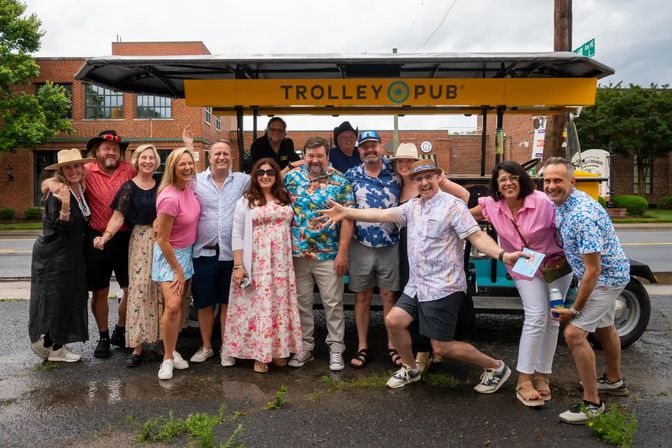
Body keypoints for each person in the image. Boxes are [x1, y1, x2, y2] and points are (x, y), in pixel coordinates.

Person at [320, 159, 526, 391]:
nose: (424, 182)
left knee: (441, 348)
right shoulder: (412, 207)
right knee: (394, 321)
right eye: (419, 178)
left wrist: (502, 255)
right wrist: (346, 211)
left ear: (439, 177)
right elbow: (381, 214)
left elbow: (476, 236)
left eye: (429, 176)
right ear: (414, 182)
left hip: (443, 286)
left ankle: (496, 367)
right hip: (417, 285)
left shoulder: (453, 206)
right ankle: (410, 368)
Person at [470, 161, 573, 407]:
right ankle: (524, 379)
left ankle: (542, 375)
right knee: (536, 315)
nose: (508, 183)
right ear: (496, 184)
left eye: (513, 177)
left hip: (555, 265)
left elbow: (572, 222)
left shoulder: (543, 202)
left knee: (552, 319)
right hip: (523, 266)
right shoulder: (492, 205)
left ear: (522, 179)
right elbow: (462, 214)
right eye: (502, 179)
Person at [543, 157, 630, 424]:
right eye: (547, 180)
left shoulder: (582, 215)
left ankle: (593, 403)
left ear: (572, 182)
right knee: (605, 328)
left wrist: (575, 309)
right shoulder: (561, 204)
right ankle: (614, 381)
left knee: (574, 334)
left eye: (558, 180)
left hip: (605, 279)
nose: (551, 186)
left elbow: (593, 270)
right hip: (603, 275)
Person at [392, 143, 470, 372]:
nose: (404, 165)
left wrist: (440, 179)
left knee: (435, 300)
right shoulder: (395, 186)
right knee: (413, 300)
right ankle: (421, 351)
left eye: (409, 161)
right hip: (409, 248)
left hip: (440, 249)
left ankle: (439, 347)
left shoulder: (432, 184)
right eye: (400, 161)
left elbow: (464, 197)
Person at [222, 158, 303, 373]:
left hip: (282, 264)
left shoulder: (284, 197)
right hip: (257, 263)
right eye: (260, 173)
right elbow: (237, 234)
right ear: (255, 177)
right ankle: (259, 354)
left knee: (278, 306)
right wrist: (238, 266)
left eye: (270, 172)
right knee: (258, 308)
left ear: (276, 176)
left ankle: (277, 351)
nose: (265, 176)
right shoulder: (247, 201)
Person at [283, 136, 355, 371]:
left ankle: (336, 349)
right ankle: (306, 348)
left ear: (328, 157)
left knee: (332, 304)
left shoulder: (340, 182)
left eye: (319, 156)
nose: (315, 160)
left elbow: (348, 219)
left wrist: (343, 254)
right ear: (303, 156)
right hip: (298, 254)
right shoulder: (291, 179)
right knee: (302, 304)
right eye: (310, 155)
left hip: (328, 254)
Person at [93, 144, 163, 368]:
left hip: (165, 241)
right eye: (144, 157)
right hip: (141, 241)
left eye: (151, 158)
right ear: (136, 160)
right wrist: (106, 236)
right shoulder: (128, 188)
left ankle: (162, 341)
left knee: (162, 290)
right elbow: (118, 216)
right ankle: (137, 346)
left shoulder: (163, 183)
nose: (148, 161)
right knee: (139, 292)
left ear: (156, 162)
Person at [185, 132, 250, 367]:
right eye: (217, 154)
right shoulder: (197, 181)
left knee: (227, 302)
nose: (222, 157)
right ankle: (206, 346)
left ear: (230, 157)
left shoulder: (243, 180)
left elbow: (270, 176)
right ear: (209, 157)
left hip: (231, 254)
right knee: (203, 302)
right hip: (203, 252)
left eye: (225, 153)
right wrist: (189, 146)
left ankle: (226, 347)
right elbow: (179, 177)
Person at [343, 130, 402, 369]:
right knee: (362, 296)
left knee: (389, 295)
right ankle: (362, 346)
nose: (370, 150)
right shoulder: (351, 175)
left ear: (380, 146)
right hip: (361, 245)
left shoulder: (396, 172)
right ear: (360, 151)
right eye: (365, 146)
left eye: (373, 145)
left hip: (390, 244)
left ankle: (393, 345)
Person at [29, 149, 94, 363]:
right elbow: (58, 227)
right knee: (58, 299)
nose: (73, 170)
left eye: (77, 166)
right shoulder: (59, 193)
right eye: (68, 167)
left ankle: (49, 343)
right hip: (55, 255)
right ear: (61, 172)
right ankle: (55, 348)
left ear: (82, 169)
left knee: (65, 299)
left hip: (70, 254)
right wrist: (65, 206)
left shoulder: (79, 190)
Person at [153, 148, 201, 380]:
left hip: (188, 251)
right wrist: (177, 269)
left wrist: (188, 144)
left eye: (189, 163)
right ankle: (167, 359)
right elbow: (162, 239)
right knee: (172, 305)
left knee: (179, 306)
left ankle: (172, 350)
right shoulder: (170, 197)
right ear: (172, 167)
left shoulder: (189, 186)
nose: (187, 168)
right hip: (170, 255)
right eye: (181, 164)